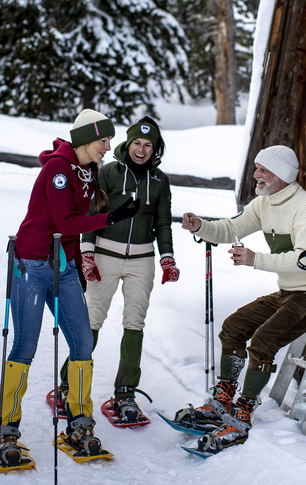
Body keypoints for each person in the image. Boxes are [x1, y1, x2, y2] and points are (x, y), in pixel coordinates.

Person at [0, 109, 140, 468]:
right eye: (104, 140)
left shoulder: (86, 168)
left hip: (64, 266)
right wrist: (111, 219)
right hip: (32, 264)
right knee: (25, 345)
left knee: (82, 342)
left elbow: (85, 203)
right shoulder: (57, 169)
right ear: (87, 139)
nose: (109, 146)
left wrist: (114, 204)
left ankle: (78, 424)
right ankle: (6, 431)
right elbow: (65, 222)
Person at [175, 144, 306, 452]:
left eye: (263, 169)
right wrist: (201, 227)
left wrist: (255, 259)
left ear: (281, 174)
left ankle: (244, 411)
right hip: (288, 291)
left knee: (263, 341)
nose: (256, 175)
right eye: (257, 168)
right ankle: (223, 400)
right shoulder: (263, 202)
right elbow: (232, 227)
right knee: (233, 326)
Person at [59, 116, 179, 424]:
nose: (141, 150)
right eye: (137, 143)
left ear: (156, 149)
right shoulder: (108, 172)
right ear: (128, 144)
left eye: (148, 145)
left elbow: (163, 223)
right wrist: (87, 253)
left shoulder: (160, 180)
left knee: (134, 322)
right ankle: (67, 384)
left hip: (142, 260)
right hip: (105, 256)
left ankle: (125, 392)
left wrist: (167, 256)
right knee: (92, 319)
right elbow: (91, 211)